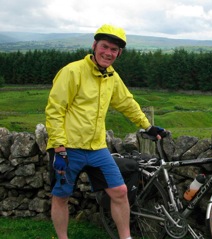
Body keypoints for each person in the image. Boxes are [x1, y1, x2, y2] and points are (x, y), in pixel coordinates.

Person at [45, 24, 165, 239]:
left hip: (97, 148)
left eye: (114, 50)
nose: (108, 53)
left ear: (119, 53)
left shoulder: (111, 76)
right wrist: (59, 147)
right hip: (68, 147)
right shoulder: (72, 71)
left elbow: (126, 103)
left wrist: (147, 126)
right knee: (61, 196)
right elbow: (55, 110)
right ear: (94, 45)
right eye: (105, 46)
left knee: (119, 192)